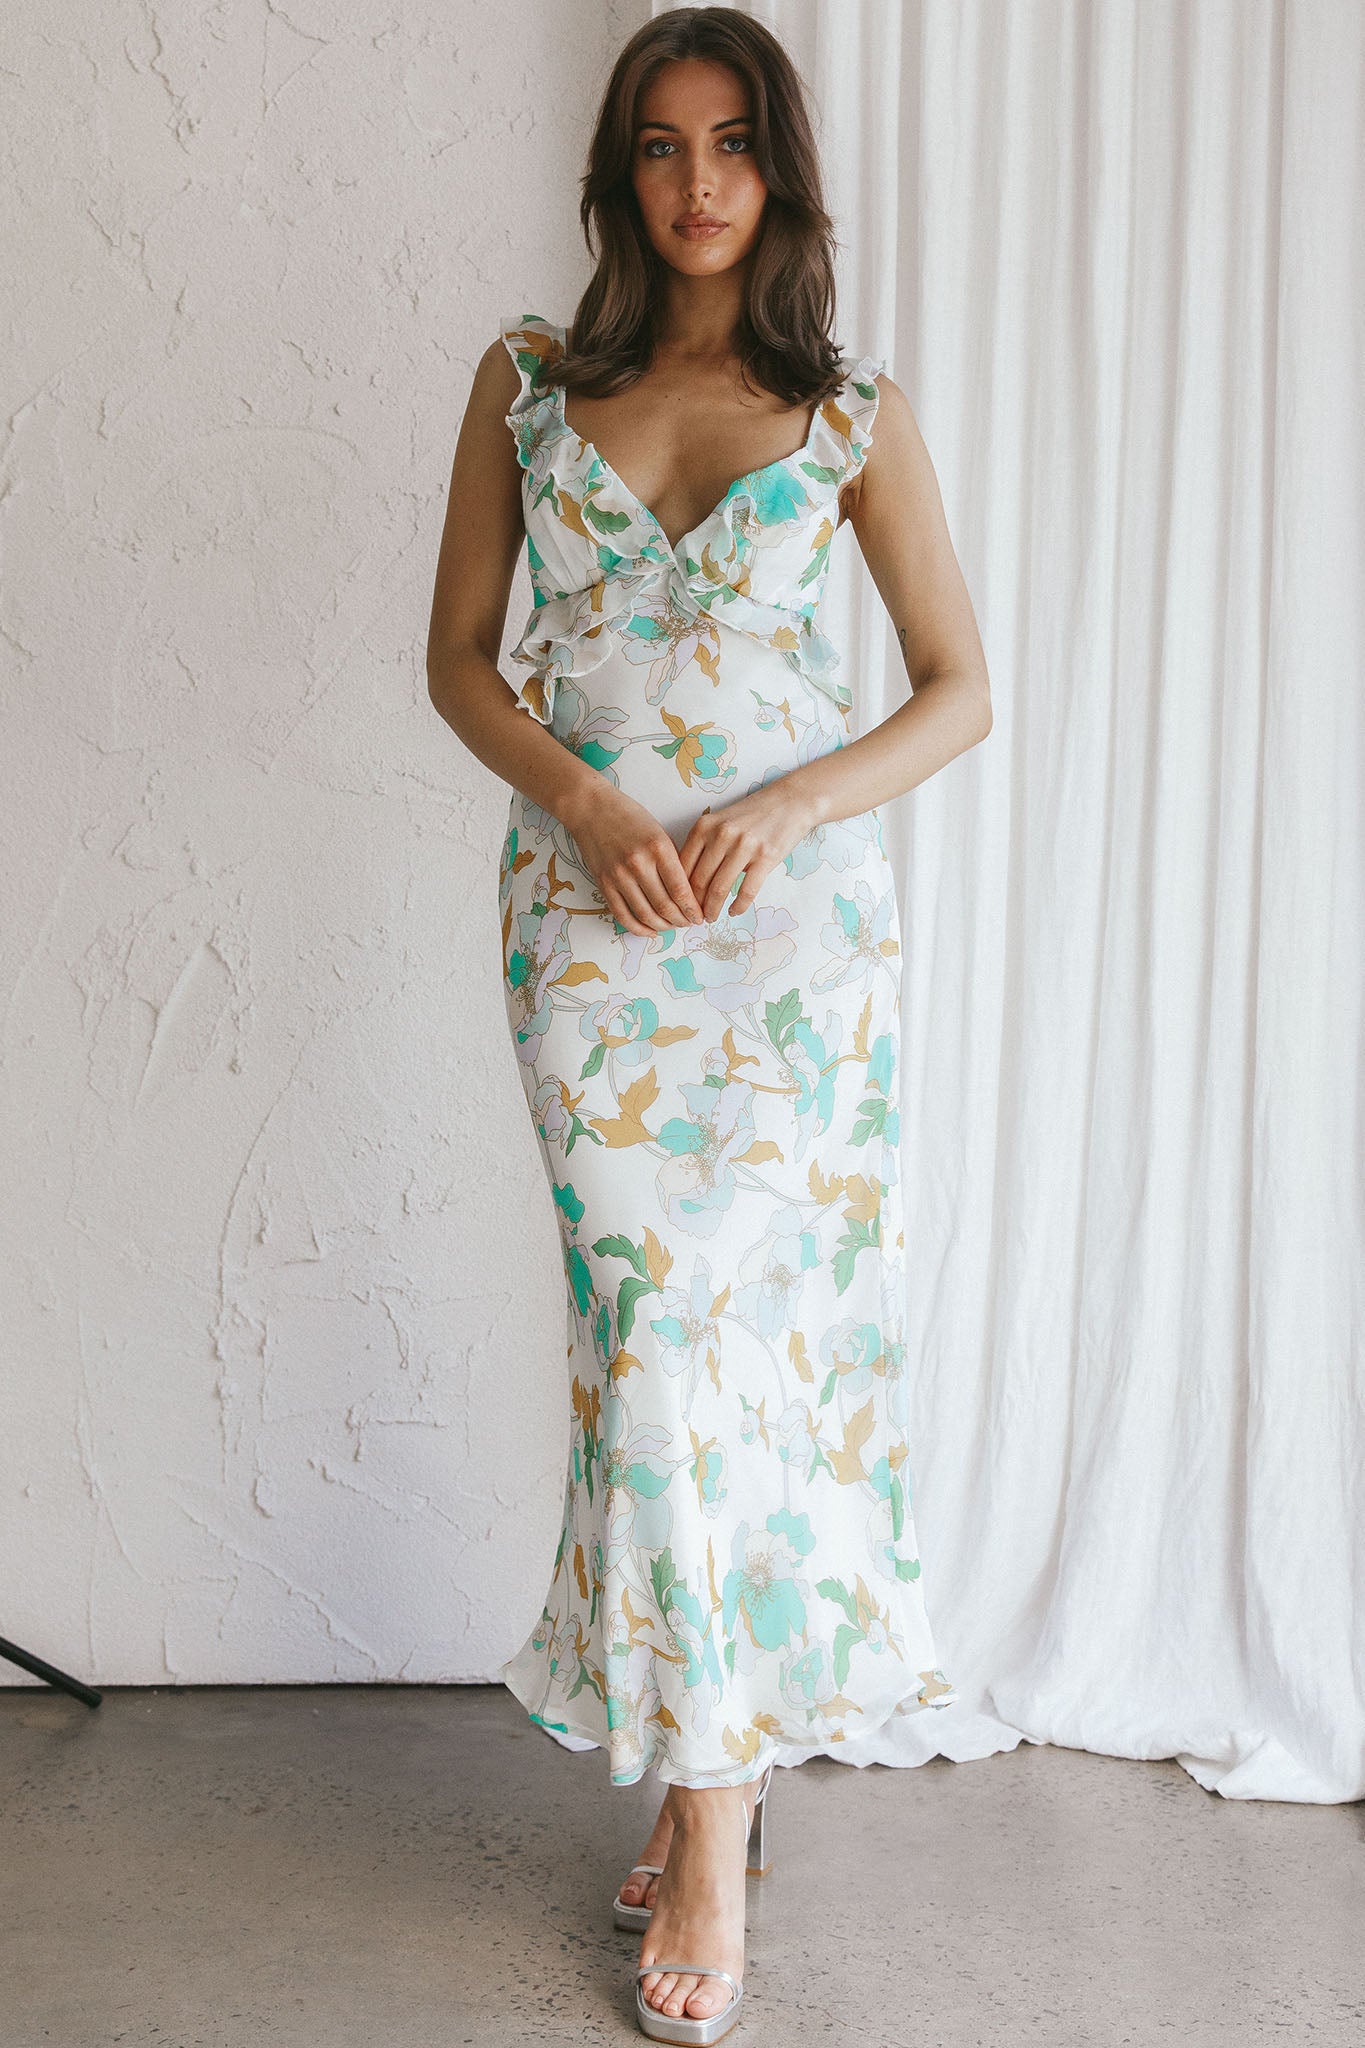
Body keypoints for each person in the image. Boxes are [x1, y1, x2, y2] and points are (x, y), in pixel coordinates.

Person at [426, 9, 990, 2039]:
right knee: (647, 1347)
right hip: (588, 935)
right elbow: (459, 663)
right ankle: (702, 1768)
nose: (696, 183)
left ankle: (712, 1814)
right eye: (660, 147)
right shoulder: (524, 383)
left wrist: (787, 805)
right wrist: (586, 807)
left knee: (749, 1363)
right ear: (616, 175)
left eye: (732, 143)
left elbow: (955, 688)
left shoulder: (845, 414)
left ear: (780, 173)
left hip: (790, 955)